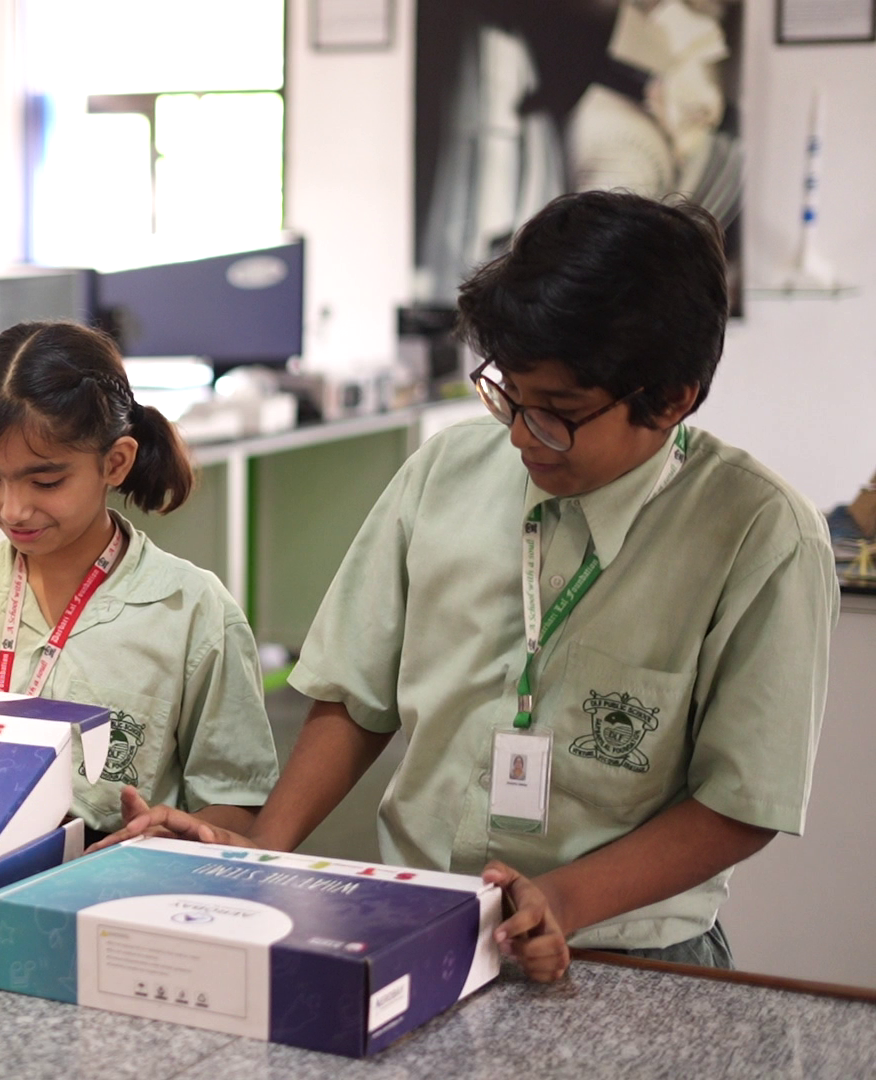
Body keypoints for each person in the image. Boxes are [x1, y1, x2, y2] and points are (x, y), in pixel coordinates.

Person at [102, 191, 835, 983]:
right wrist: (260, 849)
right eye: (507, 393)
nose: (520, 433)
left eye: (558, 412)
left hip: (627, 953)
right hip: (419, 921)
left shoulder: (760, 537)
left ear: (672, 398)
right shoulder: (447, 473)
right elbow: (355, 696)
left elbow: (739, 803)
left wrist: (564, 899)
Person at [0, 321, 279, 843]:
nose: (13, 509)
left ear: (116, 462)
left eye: (46, 481)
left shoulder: (191, 611)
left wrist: (176, 837)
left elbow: (240, 803)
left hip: (111, 880)